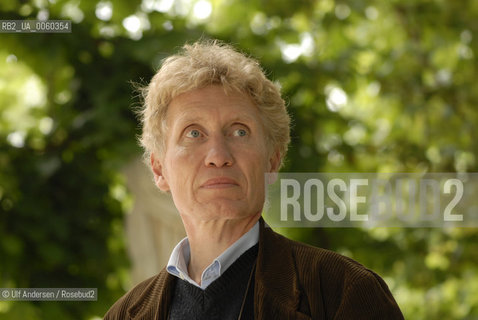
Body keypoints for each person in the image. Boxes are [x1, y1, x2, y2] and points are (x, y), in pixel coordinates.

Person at [104, 39, 404, 319]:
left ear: (272, 159)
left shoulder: (342, 290)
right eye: (193, 133)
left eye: (239, 131)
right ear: (159, 169)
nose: (218, 155)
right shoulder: (124, 314)